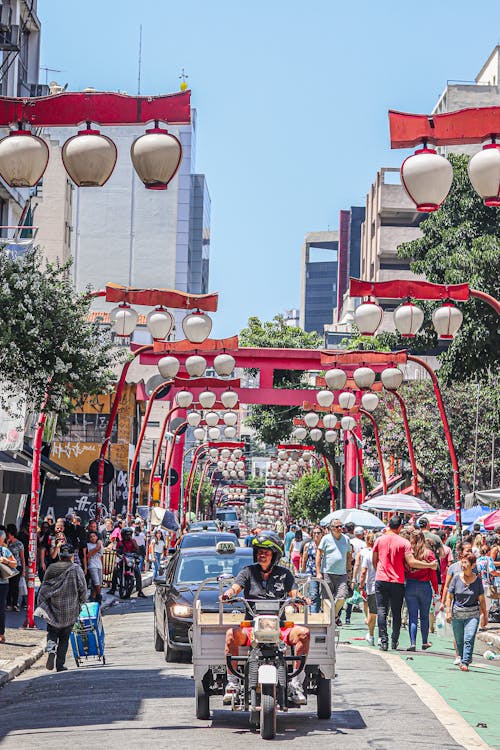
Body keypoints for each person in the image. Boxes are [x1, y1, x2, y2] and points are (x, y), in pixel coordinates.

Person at [219, 531, 311, 705]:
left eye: (266, 552)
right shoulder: (247, 572)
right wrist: (228, 594)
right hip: (251, 627)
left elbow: (294, 592)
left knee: (304, 633)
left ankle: (296, 684)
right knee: (231, 634)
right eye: (259, 551)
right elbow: (236, 588)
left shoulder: (285, 574)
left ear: (274, 555)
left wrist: (301, 598)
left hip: (280, 626)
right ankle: (232, 684)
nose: (262, 555)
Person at [373, 515, 438, 651]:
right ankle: (394, 640)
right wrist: (429, 565)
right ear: (400, 527)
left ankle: (383, 640)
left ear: (389, 525)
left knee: (382, 610)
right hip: (397, 580)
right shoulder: (404, 543)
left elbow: (375, 559)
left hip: (381, 579)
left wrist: (379, 571)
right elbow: (411, 562)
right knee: (396, 612)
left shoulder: (379, 540)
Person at [35, 544, 87, 672]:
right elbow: (83, 589)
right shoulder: (76, 569)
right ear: (72, 556)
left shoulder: (52, 569)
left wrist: (42, 606)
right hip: (70, 611)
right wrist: (80, 602)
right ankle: (59, 665)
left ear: (59, 555)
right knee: (64, 638)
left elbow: (43, 591)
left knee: (52, 633)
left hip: (53, 610)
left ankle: (51, 650)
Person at [446, 551, 488, 672]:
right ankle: (463, 657)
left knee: (468, 638)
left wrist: (485, 615)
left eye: (465, 562)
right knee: (459, 640)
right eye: (462, 562)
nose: (462, 565)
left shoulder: (477, 581)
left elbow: (482, 600)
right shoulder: (456, 578)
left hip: (472, 614)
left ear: (473, 565)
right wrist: (448, 611)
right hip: (457, 613)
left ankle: (465, 662)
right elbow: (450, 596)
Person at [405, 530, 439, 651]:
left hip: (410, 585)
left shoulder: (409, 553)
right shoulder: (429, 554)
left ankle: (412, 643)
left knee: (412, 616)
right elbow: (433, 574)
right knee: (424, 616)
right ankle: (424, 641)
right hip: (425, 586)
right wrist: (436, 589)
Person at [316, 520, 352, 623]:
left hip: (342, 574)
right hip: (327, 572)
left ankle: (334, 615)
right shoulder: (326, 539)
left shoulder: (346, 539)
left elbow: (348, 556)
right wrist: (318, 572)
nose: (340, 528)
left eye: (341, 526)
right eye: (337, 527)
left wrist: (349, 571)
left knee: (342, 597)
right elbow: (319, 554)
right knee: (326, 599)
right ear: (331, 528)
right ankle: (330, 621)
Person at [109, 527, 146, 597]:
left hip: (131, 560)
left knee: (137, 572)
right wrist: (119, 554)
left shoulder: (133, 541)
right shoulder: (120, 543)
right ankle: (113, 589)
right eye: (126, 535)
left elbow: (137, 549)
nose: (128, 536)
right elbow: (117, 551)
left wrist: (136, 552)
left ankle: (140, 591)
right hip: (122, 559)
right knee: (115, 570)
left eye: (129, 535)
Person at [345, 527, 366, 625]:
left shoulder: (349, 541)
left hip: (351, 570)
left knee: (350, 594)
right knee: (364, 595)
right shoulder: (364, 544)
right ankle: (368, 617)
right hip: (362, 571)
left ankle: (347, 617)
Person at [359, 532, 377, 645]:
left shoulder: (367, 554)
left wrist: (360, 586)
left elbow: (363, 572)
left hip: (372, 586)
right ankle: (383, 637)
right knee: (383, 612)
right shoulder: (385, 554)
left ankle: (371, 635)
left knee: (373, 612)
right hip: (386, 585)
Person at [0, 529, 17, 643]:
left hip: (2, 584)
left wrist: (6, 561)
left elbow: (14, 563)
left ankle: (1, 633)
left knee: (0, 609)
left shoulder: (4, 550)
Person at [300, 526, 323, 612]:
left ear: (322, 534)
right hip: (311, 572)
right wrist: (302, 572)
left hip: (323, 572)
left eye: (318, 533)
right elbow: (304, 560)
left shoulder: (325, 545)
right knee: (314, 594)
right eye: (314, 533)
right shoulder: (308, 545)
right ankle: (314, 614)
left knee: (324, 595)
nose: (316, 534)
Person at [5, 524, 25, 612]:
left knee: (15, 586)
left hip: (17, 566)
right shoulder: (5, 543)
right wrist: (7, 543)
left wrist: (23, 570)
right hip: (6, 566)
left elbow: (22, 557)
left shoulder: (19, 544)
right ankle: (8, 603)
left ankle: (15, 603)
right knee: (8, 585)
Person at [86, 531, 103, 603]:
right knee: (96, 582)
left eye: (94, 536)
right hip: (92, 565)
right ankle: (99, 595)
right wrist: (97, 547)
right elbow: (88, 555)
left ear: (97, 537)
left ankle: (94, 597)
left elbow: (101, 557)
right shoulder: (88, 545)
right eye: (91, 537)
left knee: (99, 583)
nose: (92, 538)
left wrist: (103, 567)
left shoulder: (100, 545)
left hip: (99, 565)